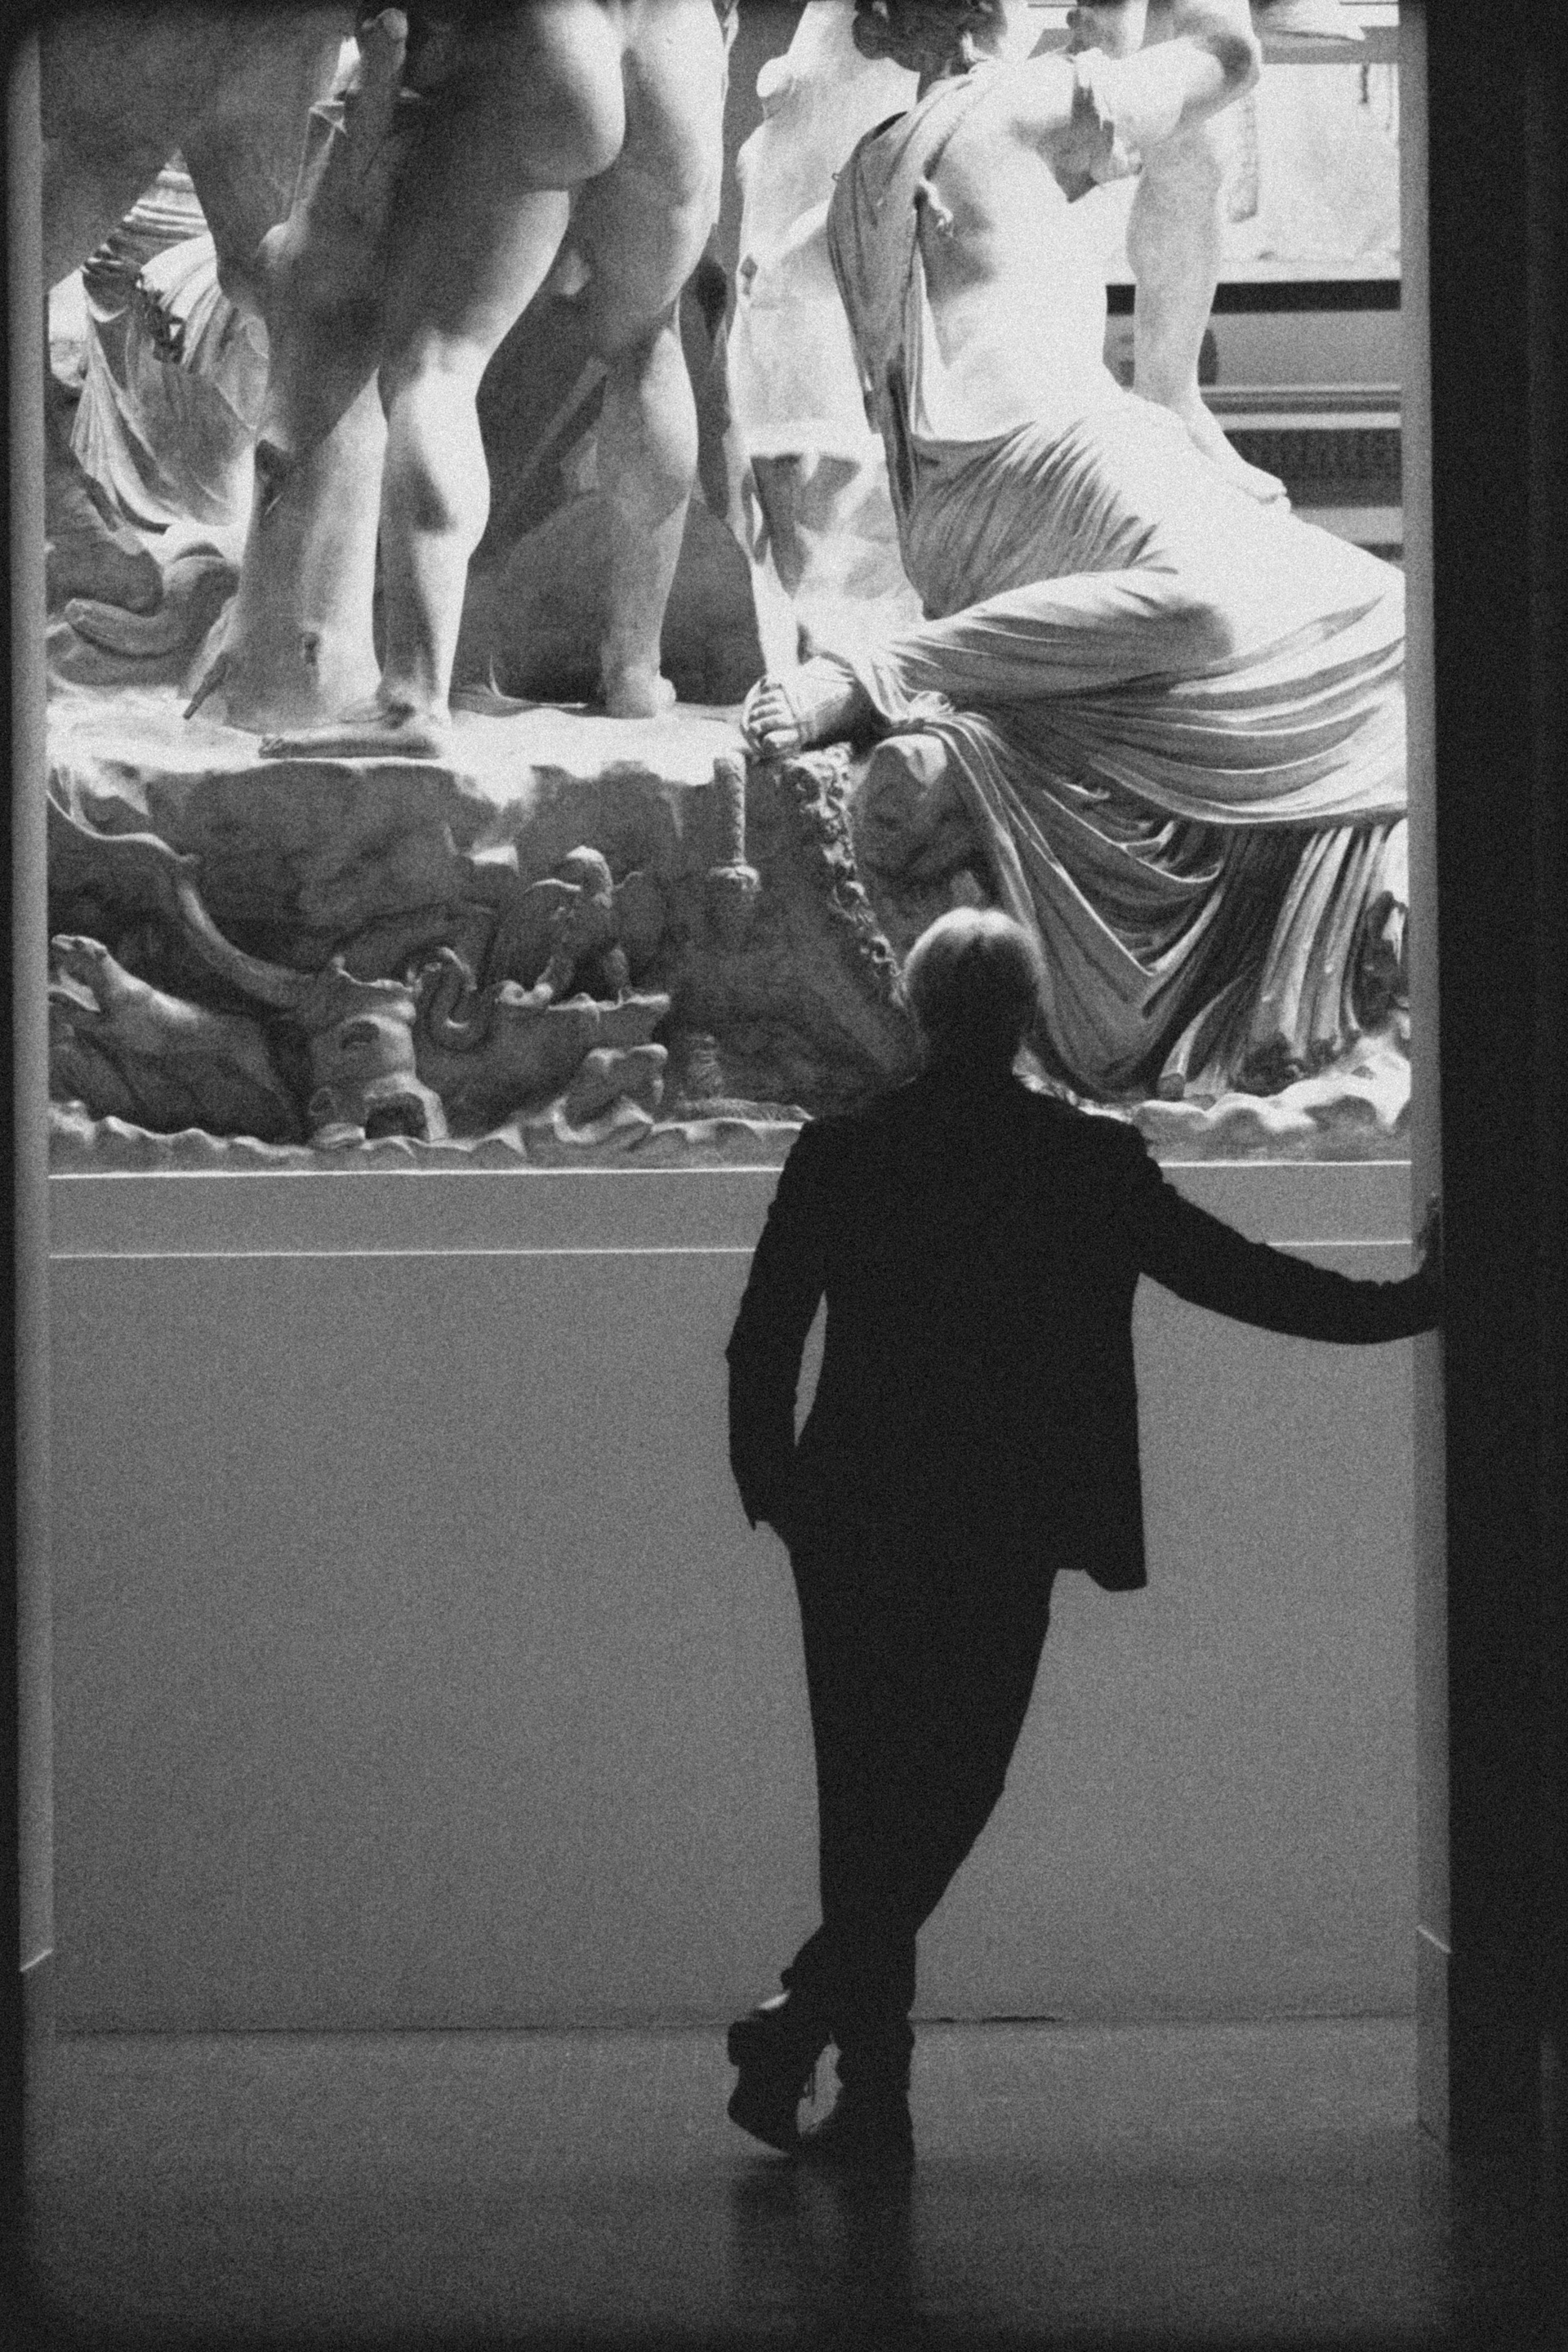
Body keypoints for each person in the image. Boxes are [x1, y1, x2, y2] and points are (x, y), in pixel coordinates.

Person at [724, 906, 1440, 2170]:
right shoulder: (1081, 1159)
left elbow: (766, 1335)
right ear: (1026, 1014)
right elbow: (1239, 1278)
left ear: (918, 1009)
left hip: (861, 1515)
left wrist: (778, 1491)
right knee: (959, 1781)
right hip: (1008, 1512)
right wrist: (1410, 1306)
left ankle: (846, 2062)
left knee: (866, 1800)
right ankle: (825, 2049)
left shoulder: (846, 1152)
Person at [739, 0, 1407, 1103]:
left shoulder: (867, 171)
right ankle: (883, 671)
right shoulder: (1026, 100)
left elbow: (782, 292)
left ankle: (1287, 972)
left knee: (1367, 606)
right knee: (1237, 612)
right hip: (1055, 459)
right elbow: (1228, 57)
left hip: (954, 520)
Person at [259, 0, 731, 760]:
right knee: (649, 338)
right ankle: (635, 673)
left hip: (541, 34)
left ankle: (412, 698)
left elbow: (386, 30)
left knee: (437, 361)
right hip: (680, 42)